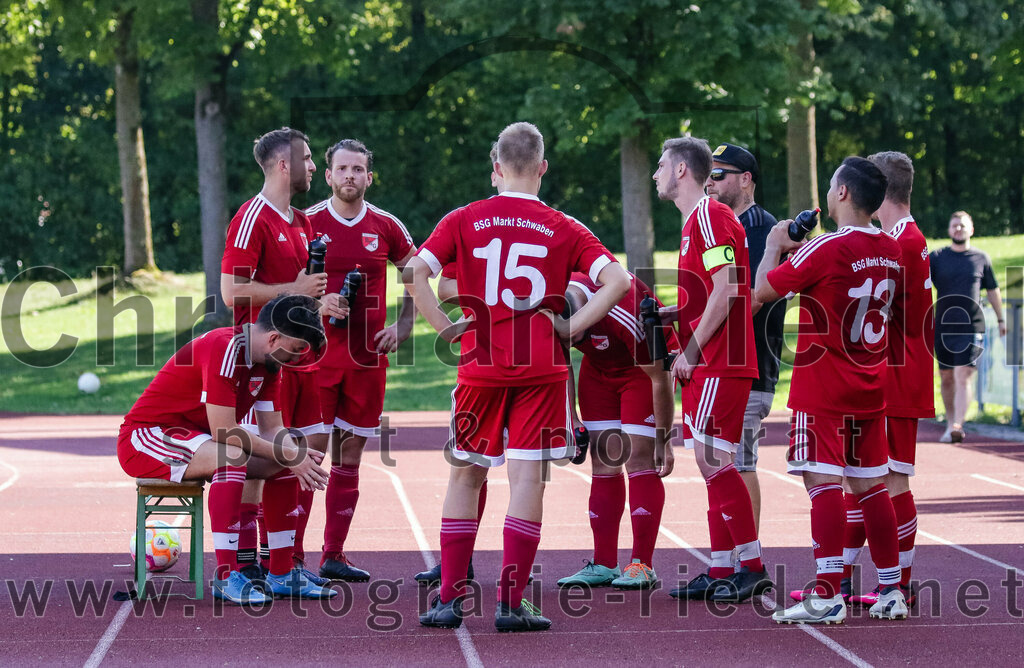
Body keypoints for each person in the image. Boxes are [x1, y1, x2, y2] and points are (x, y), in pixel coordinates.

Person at [405, 121, 630, 632]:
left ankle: (449, 599)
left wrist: (446, 327)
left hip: (479, 366)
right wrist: (571, 325)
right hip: (542, 370)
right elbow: (618, 280)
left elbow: (416, 272)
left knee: (466, 474)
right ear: (543, 168)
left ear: (496, 169)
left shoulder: (464, 218)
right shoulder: (564, 226)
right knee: (528, 480)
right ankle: (510, 602)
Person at [755, 156, 908, 624]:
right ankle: (891, 589)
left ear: (841, 193)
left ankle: (825, 591)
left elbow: (762, 290)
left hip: (824, 387)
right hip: (869, 383)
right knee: (869, 485)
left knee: (820, 480)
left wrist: (773, 245)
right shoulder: (892, 250)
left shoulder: (825, 248)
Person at [116, 295, 335, 603]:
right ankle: (226, 576)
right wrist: (287, 454)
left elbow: (273, 429)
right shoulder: (226, 347)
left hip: (196, 439)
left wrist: (296, 456)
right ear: (273, 338)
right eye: (297, 350)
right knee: (233, 457)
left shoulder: (270, 363)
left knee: (284, 459)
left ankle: (282, 573)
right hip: (148, 436)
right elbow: (226, 432)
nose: (298, 359)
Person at [220, 127, 345, 587]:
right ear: (283, 164)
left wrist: (321, 304)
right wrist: (292, 289)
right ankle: (255, 561)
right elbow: (232, 292)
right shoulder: (252, 217)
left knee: (307, 448)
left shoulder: (300, 221)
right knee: (268, 452)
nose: (315, 167)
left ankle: (286, 560)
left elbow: (304, 291)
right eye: (309, 159)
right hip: (264, 359)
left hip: (302, 357)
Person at [653, 136, 771, 603]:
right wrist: (677, 315)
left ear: (682, 170)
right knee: (712, 461)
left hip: (721, 359)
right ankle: (724, 567)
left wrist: (693, 349)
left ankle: (752, 565)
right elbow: (711, 292)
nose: (656, 174)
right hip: (715, 357)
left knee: (713, 459)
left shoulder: (710, 215)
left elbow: (729, 289)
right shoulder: (694, 222)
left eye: (662, 165)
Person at [305, 139, 417, 582]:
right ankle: (290, 558)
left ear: (369, 177)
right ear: (329, 175)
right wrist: (317, 306)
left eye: (358, 169)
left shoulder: (387, 226)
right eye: (342, 169)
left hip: (367, 361)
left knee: (349, 456)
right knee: (308, 455)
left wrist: (404, 326)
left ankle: (333, 554)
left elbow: (418, 277)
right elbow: (280, 284)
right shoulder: (308, 222)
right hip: (314, 359)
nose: (350, 175)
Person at [834, 151, 933, 609]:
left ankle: (901, 582)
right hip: (892, 370)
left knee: (891, 482)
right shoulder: (901, 237)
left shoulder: (905, 242)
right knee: (862, 479)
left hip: (896, 373)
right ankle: (840, 576)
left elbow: (899, 315)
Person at [555, 271, 676, 590]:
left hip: (643, 370)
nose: (570, 344)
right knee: (603, 459)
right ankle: (605, 562)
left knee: (639, 458)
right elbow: (562, 362)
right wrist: (572, 419)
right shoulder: (554, 302)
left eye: (574, 337)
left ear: (588, 316)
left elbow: (660, 377)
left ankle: (642, 564)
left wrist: (664, 438)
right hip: (599, 370)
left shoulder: (625, 311)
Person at [705, 142, 784, 533]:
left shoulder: (762, 229)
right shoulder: (720, 224)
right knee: (719, 463)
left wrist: (696, 337)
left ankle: (747, 561)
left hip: (750, 367)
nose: (711, 182)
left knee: (738, 463)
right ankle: (730, 559)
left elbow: (748, 298)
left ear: (746, 180)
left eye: (718, 175)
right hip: (724, 365)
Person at [930, 211, 1006, 443]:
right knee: (946, 377)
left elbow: (992, 290)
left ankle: (957, 425)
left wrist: (1001, 319)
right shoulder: (937, 257)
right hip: (943, 326)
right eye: (955, 225)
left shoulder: (981, 258)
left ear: (971, 229)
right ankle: (949, 420)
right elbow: (920, 284)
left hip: (971, 326)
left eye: (963, 225)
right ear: (949, 230)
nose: (959, 229)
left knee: (963, 375)